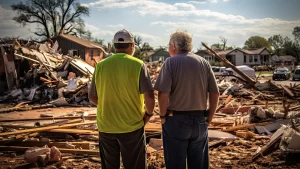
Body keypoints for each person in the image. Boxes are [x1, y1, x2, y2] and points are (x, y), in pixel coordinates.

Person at [88, 29, 155, 169]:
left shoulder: (100, 66)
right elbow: (149, 96)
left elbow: (92, 96)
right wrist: (148, 115)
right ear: (132, 45)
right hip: (132, 126)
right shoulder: (138, 65)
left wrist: (107, 105)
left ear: (114, 46)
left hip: (106, 126)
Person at [154, 30, 220, 169]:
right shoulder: (203, 62)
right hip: (200, 121)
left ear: (173, 46)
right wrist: (210, 116)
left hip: (176, 120)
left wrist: (162, 116)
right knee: (199, 165)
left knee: (175, 164)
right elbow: (214, 93)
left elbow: (163, 94)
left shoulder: (170, 62)